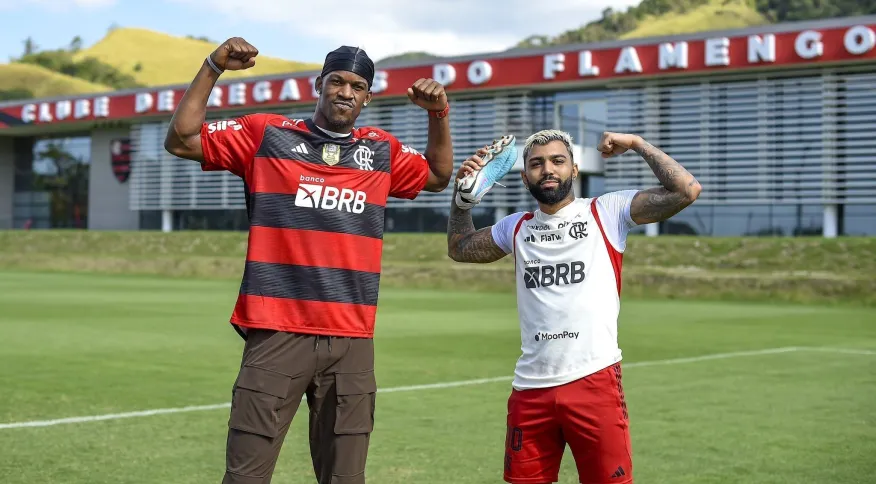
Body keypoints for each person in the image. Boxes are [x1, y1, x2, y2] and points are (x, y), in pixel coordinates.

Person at [164, 37, 454, 484]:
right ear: (318, 84)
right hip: (278, 330)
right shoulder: (268, 134)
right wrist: (211, 67)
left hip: (352, 338)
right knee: (245, 476)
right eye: (336, 81)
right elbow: (182, 139)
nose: (345, 92)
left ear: (367, 97)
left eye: (357, 86)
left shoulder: (381, 150)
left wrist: (438, 115)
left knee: (345, 478)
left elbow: (436, 175)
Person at [447, 129, 702, 484]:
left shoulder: (606, 212)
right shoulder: (516, 227)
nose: (547, 169)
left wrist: (638, 145)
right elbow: (459, 248)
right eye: (536, 164)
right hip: (530, 390)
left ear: (574, 170)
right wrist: (462, 200)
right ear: (524, 177)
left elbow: (686, 190)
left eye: (557, 161)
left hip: (594, 383)